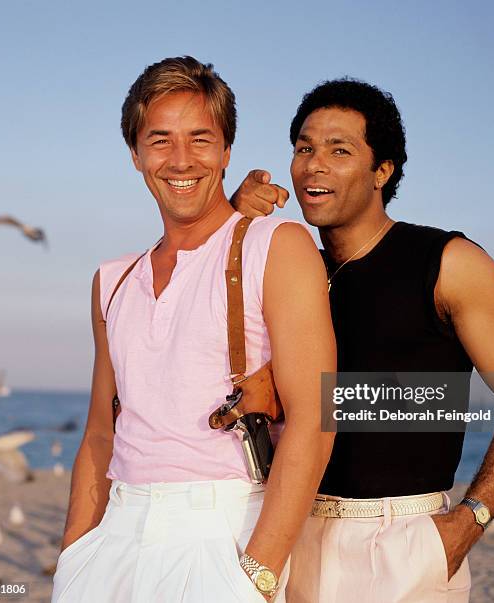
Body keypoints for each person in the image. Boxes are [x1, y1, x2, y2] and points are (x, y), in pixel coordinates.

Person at [233, 78, 494, 602]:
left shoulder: (449, 263)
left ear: (382, 170)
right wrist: (232, 225)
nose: (314, 164)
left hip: (400, 542)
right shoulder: (283, 267)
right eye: (304, 148)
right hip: (283, 533)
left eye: (340, 150)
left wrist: (469, 521)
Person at [52, 56, 336, 603]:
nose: (181, 160)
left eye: (200, 139)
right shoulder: (111, 281)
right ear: (135, 155)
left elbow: (317, 417)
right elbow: (99, 434)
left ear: (226, 151)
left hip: (224, 536)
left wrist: (258, 574)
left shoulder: (275, 246)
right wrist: (74, 554)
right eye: (159, 140)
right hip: (112, 542)